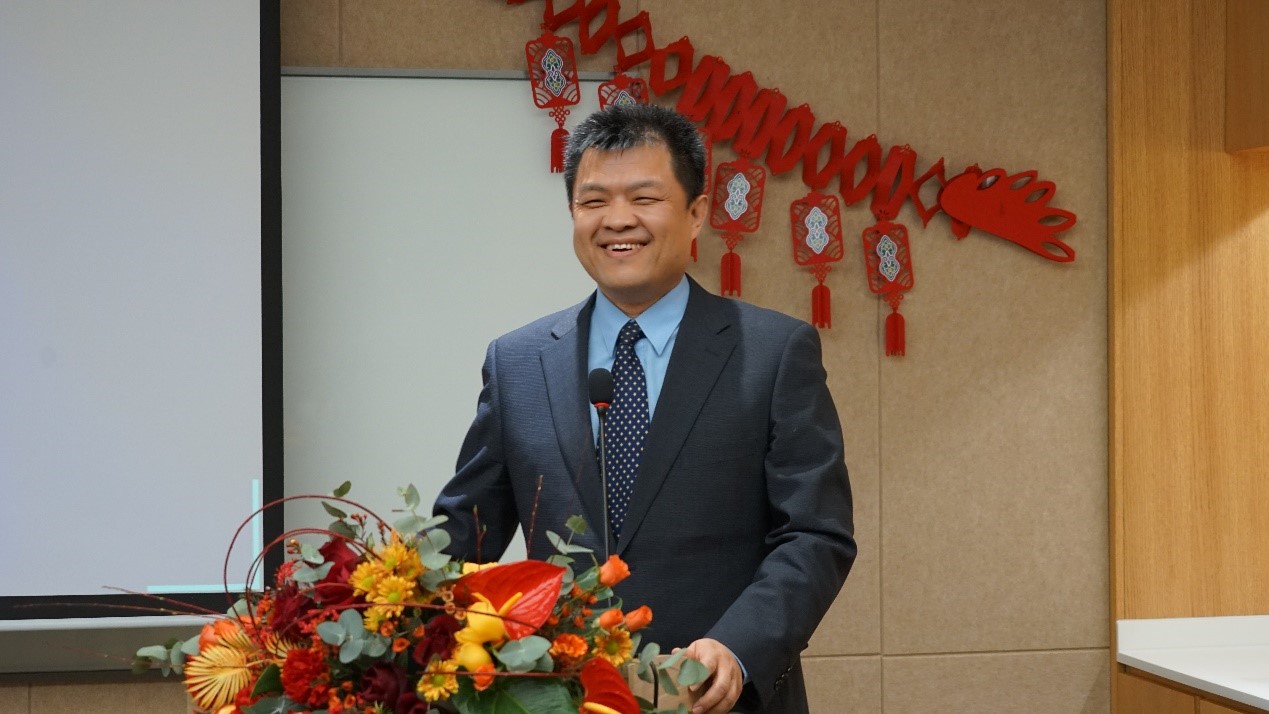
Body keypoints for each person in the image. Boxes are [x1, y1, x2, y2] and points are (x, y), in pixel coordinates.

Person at [434, 104, 855, 714]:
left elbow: (815, 532)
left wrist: (738, 648)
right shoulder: (517, 363)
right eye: (594, 201)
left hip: (714, 698)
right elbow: (464, 535)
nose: (617, 220)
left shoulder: (773, 351)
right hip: (559, 697)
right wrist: (379, 609)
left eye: (644, 197)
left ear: (697, 213)